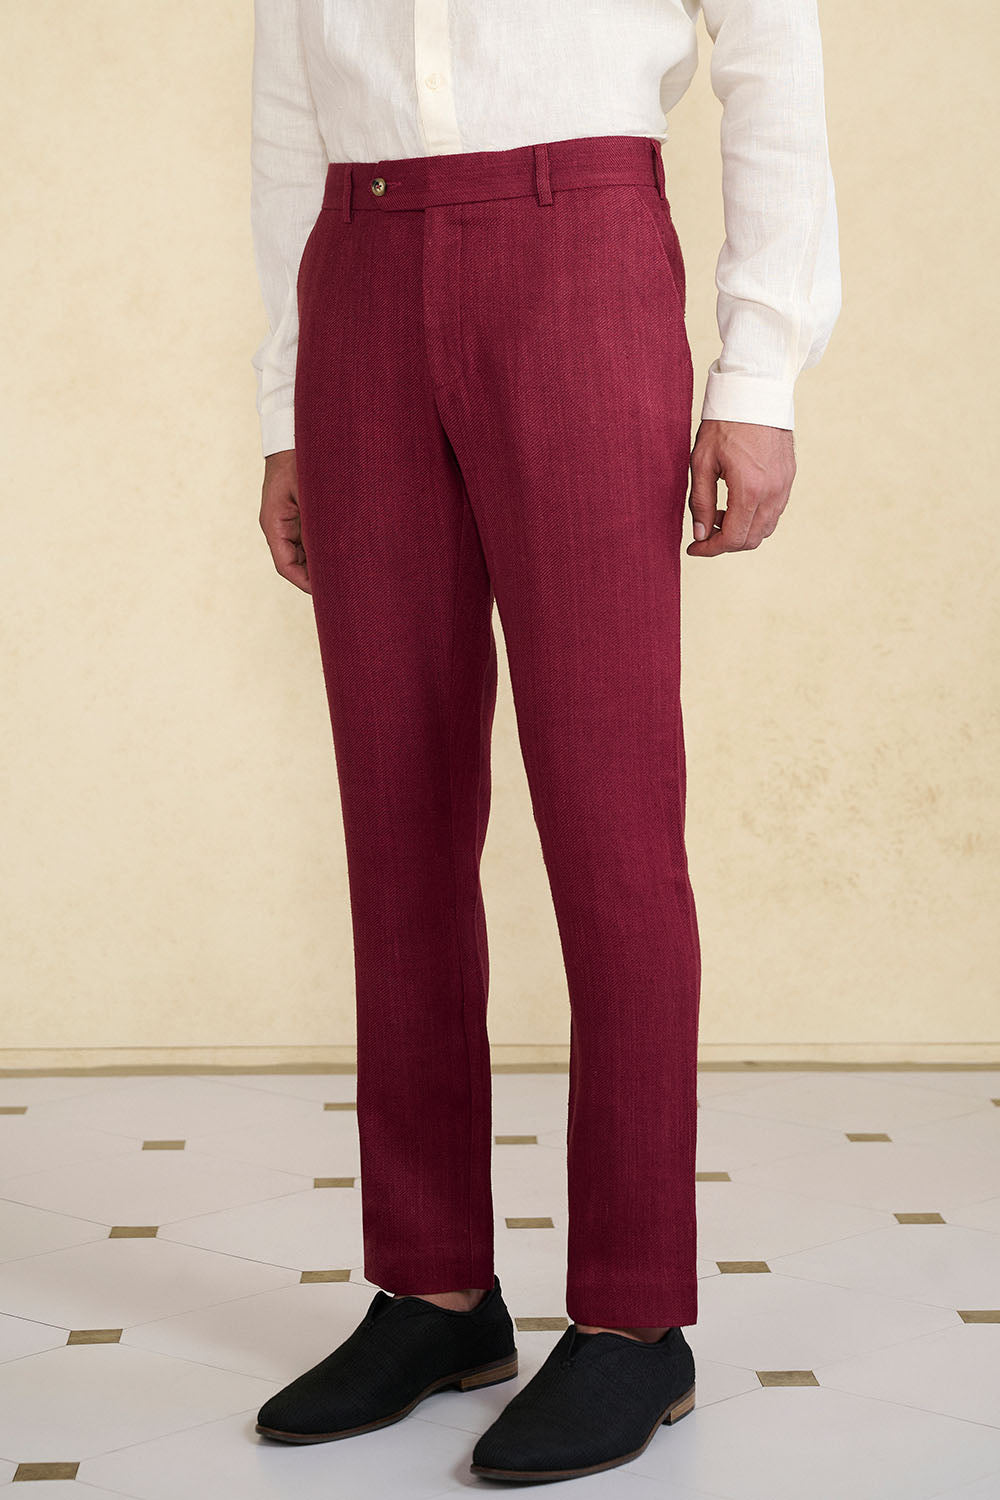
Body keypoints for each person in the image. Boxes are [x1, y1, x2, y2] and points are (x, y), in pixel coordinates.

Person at [248, 0, 841, 1484]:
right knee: (396, 815)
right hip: (357, 267)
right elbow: (285, 104)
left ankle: (636, 1320)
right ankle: (433, 1293)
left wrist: (759, 374)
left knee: (610, 817)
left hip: (578, 245)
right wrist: (282, 405)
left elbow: (771, 48)